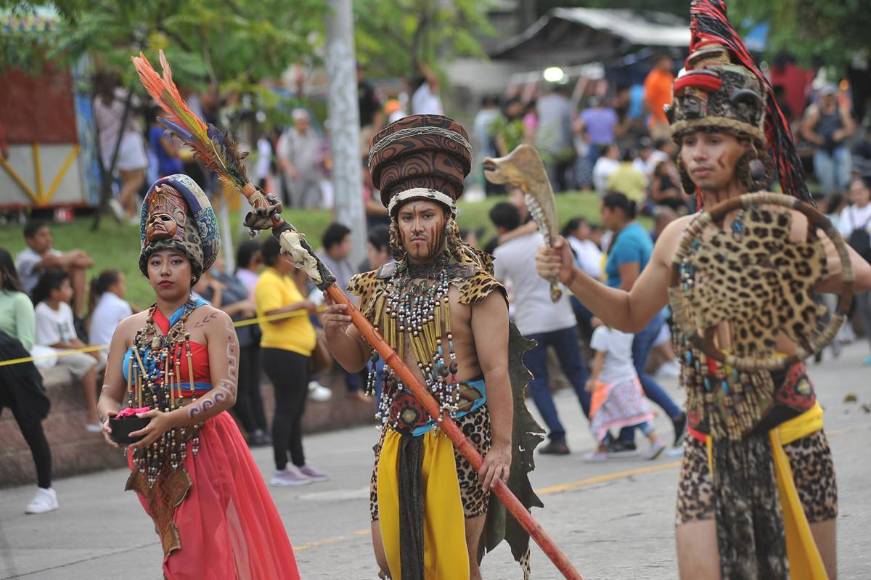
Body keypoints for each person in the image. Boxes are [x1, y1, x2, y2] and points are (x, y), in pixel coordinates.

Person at [536, 8, 871, 576]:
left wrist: (780, 273)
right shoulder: (675, 236)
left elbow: (857, 275)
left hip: (788, 430)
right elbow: (627, 314)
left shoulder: (783, 222)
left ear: (746, 147)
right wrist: (572, 277)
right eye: (690, 140)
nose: (698, 153)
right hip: (706, 440)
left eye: (714, 139)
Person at [323, 115, 541, 579]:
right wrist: (333, 329)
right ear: (395, 227)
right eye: (407, 218)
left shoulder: (477, 290)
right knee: (392, 561)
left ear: (446, 220)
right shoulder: (370, 288)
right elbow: (351, 360)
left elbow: (497, 372)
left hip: (464, 440)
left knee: (457, 562)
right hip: (397, 440)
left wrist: (500, 448)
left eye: (426, 215)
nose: (416, 226)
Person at [95, 175, 299, 578]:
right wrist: (108, 418)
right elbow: (107, 393)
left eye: (176, 261)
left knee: (195, 554)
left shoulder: (214, 321)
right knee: (177, 546)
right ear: (145, 270)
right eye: (156, 262)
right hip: (149, 456)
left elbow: (226, 393)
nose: (165, 270)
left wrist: (170, 418)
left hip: (206, 446)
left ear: (194, 268)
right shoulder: (127, 328)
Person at [491, 202, 590, 455]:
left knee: (540, 383)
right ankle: (601, 430)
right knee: (578, 376)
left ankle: (559, 437)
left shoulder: (502, 253)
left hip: (531, 322)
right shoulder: (541, 240)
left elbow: (497, 289)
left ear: (500, 226)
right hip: (562, 316)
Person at [598, 192, 686, 450]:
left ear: (616, 211)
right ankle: (627, 437)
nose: (602, 217)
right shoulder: (634, 233)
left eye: (604, 211)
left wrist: (608, 316)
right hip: (650, 315)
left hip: (638, 316)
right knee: (628, 374)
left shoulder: (627, 241)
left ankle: (676, 415)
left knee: (632, 375)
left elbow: (629, 284)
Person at [255, 236, 326, 486]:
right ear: (277, 257)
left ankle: (299, 462)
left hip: (297, 352)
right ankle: (281, 467)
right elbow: (272, 315)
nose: (291, 260)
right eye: (287, 255)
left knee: (296, 409)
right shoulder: (267, 281)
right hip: (281, 352)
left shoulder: (284, 279)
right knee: (286, 409)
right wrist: (300, 304)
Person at [0, 248, 56, 514]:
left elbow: (25, 342)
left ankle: (46, 490)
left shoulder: (18, 301)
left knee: (32, 431)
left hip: (16, 377)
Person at [32, 270, 102, 432]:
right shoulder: (42, 311)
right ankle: (92, 415)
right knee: (88, 363)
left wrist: (88, 348)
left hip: (70, 348)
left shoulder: (64, 308)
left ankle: (107, 403)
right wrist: (82, 350)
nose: (71, 290)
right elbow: (53, 343)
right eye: (66, 287)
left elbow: (72, 337)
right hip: (54, 352)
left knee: (104, 357)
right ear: (54, 292)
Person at [585, 322, 664, 462]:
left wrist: (593, 379)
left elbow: (599, 359)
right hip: (628, 378)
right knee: (635, 414)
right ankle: (654, 440)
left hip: (609, 383)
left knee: (597, 414)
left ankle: (602, 449)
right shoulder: (626, 329)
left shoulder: (602, 333)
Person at [93, 70, 148, 220]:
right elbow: (138, 110)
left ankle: (131, 214)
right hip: (127, 140)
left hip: (107, 145)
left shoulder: (97, 100)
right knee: (138, 178)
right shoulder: (123, 95)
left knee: (127, 180)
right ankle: (118, 202)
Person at [232, 239, 271, 440]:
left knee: (253, 385)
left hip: (252, 337)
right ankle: (256, 429)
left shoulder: (249, 278)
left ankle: (262, 428)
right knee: (246, 386)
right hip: (243, 338)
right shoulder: (242, 278)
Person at [17, 222, 94, 317]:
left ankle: (78, 316)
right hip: (33, 297)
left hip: (56, 292)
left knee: (78, 269)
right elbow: (55, 262)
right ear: (30, 240)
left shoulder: (54, 253)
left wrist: (70, 260)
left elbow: (89, 262)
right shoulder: (24, 257)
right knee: (57, 267)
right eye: (42, 235)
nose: (48, 238)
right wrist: (78, 253)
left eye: (49, 234)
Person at [838, 175, 871, 365]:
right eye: (854, 192)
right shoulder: (847, 214)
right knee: (864, 309)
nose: (857, 195)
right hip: (858, 266)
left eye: (861, 191)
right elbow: (842, 238)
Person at [801, 84, 856, 197]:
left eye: (831, 96)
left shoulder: (841, 110)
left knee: (844, 178)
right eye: (827, 96)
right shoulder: (816, 112)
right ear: (822, 97)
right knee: (827, 180)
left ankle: (843, 202)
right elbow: (805, 129)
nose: (829, 99)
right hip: (823, 148)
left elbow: (851, 128)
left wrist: (841, 133)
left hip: (839, 147)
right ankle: (830, 202)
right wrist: (817, 139)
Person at [277, 109, 324, 209]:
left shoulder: (313, 135)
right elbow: (283, 157)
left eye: (305, 121)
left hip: (313, 176)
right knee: (298, 205)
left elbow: (320, 152)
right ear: (295, 122)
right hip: (296, 178)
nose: (304, 124)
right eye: (301, 121)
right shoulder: (288, 137)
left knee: (312, 203)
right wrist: (290, 169)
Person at [536, 83, 575, 192]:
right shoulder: (566, 103)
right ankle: (562, 191)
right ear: (563, 92)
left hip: (543, 142)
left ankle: (551, 193)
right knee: (561, 173)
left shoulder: (541, 103)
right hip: (562, 143)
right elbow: (569, 125)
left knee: (549, 174)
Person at [87, 270, 133, 349]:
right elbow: (130, 333)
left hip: (97, 350)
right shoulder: (121, 305)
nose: (125, 288)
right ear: (113, 287)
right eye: (123, 284)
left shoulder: (98, 302)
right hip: (111, 351)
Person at [316, 222, 356, 291]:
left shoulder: (344, 260)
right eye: (347, 241)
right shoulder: (319, 265)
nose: (350, 245)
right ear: (335, 246)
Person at [643, 54, 675, 140]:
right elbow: (647, 100)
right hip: (658, 121)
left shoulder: (669, 76)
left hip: (669, 118)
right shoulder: (654, 78)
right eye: (667, 61)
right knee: (660, 146)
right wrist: (657, 116)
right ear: (659, 62)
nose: (670, 63)